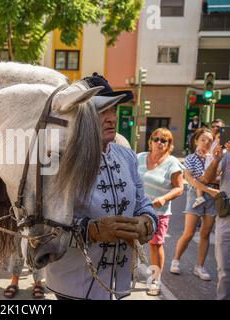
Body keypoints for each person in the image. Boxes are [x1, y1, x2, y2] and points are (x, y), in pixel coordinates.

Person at [44, 75, 158, 300]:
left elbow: (142, 202)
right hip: (74, 283)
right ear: (83, 118)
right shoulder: (59, 160)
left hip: (117, 279)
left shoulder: (126, 155)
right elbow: (47, 222)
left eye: (113, 111)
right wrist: (91, 230)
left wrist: (147, 222)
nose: (111, 119)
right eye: (102, 111)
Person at [137, 128, 184, 296]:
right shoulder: (140, 157)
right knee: (130, 242)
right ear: (150, 141)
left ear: (168, 145)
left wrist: (164, 198)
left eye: (163, 141)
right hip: (137, 210)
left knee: (155, 245)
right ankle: (127, 273)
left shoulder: (172, 163)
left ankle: (155, 280)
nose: (159, 143)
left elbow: (179, 188)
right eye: (155, 139)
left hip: (159, 213)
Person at [170, 128, 219, 281]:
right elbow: (190, 180)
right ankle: (176, 260)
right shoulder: (191, 158)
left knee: (205, 234)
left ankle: (199, 266)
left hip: (213, 198)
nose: (206, 143)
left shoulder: (216, 158)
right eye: (203, 139)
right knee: (189, 233)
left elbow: (219, 179)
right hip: (197, 196)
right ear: (196, 141)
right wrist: (209, 189)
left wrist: (206, 182)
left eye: (210, 141)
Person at [203, 141, 230, 300]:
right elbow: (207, 179)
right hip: (226, 216)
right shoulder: (225, 157)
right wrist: (216, 160)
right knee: (224, 269)